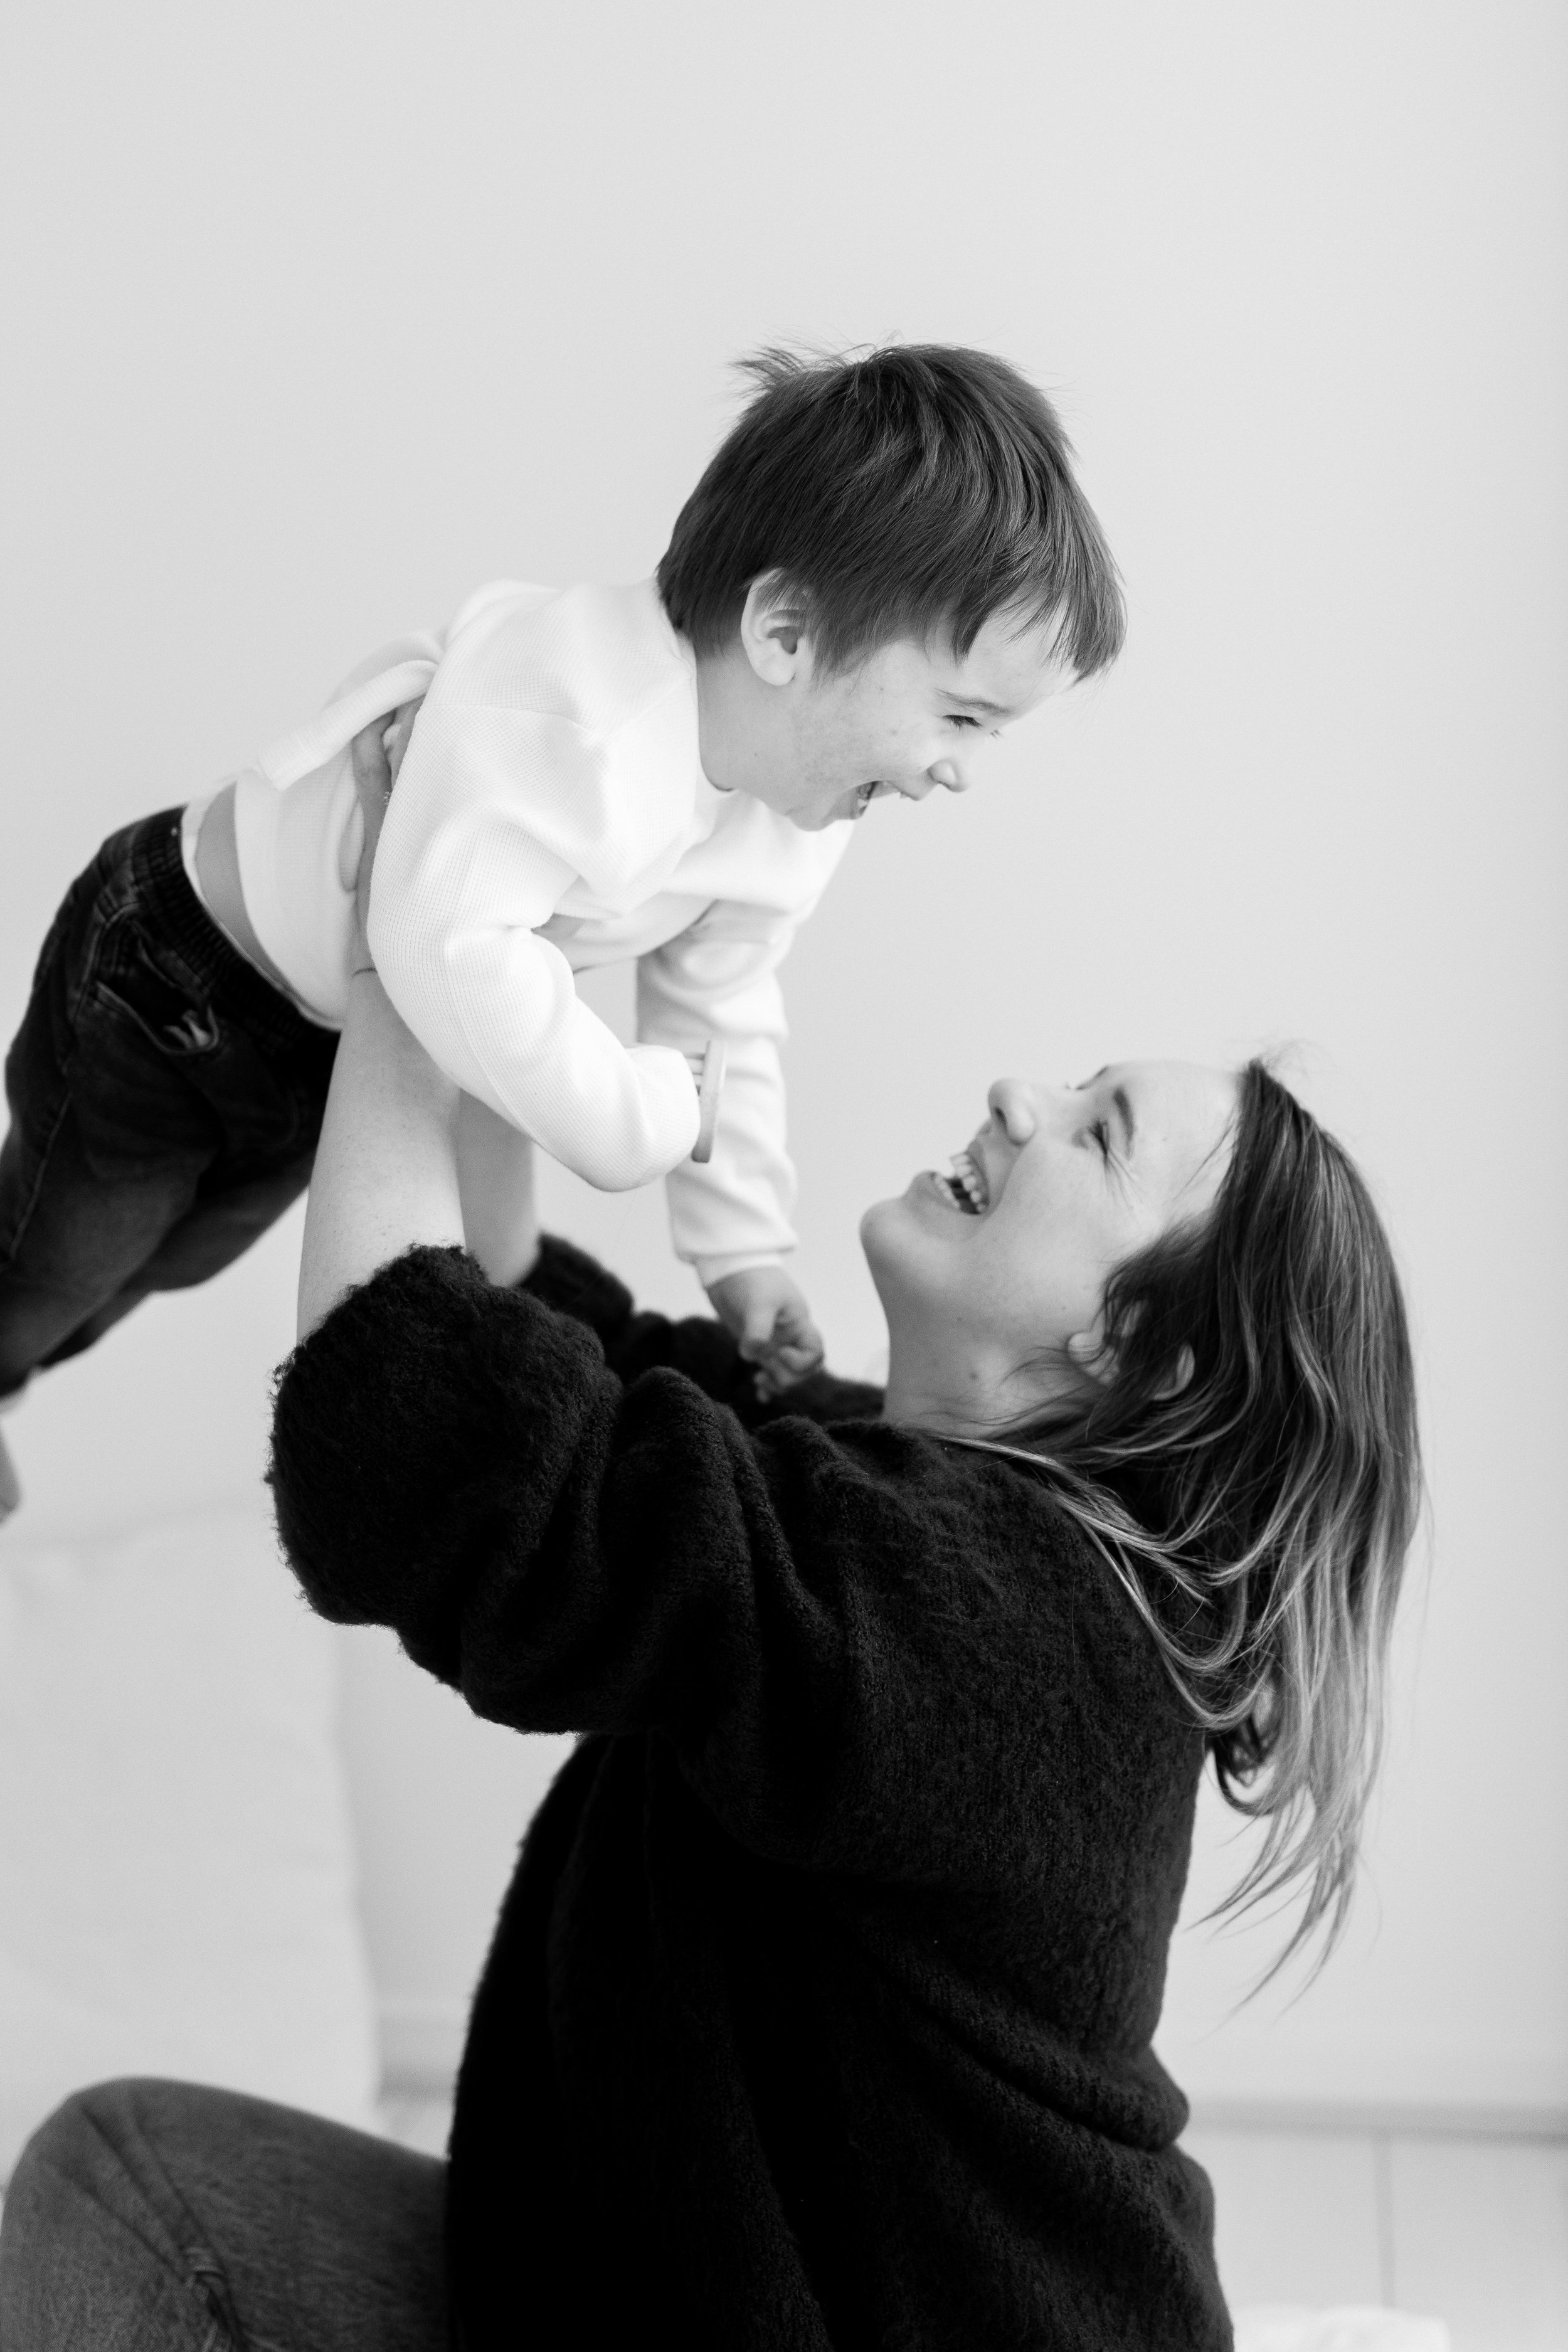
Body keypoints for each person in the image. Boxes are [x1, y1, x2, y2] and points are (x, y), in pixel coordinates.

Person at [0, 736, 1419, 2350]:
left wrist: (413, 947)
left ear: (1142, 1352)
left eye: (1097, 1135)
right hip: (636, 2281)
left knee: (128, 2196)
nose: (1021, 1093)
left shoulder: (1017, 1632)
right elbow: (533, 1330)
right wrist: (495, 969)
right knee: (133, 2178)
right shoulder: (884, 1483)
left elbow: (422, 1446)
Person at [0, 342, 1123, 1522]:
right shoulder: (571, 712)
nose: (962, 772)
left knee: (164, 1261)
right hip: (179, 976)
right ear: (786, 634)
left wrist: (742, 1253)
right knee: (58, 1262)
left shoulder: (794, 817)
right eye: (962, 715)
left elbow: (722, 1009)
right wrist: (638, 1115)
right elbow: (447, 945)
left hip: (309, 1033)